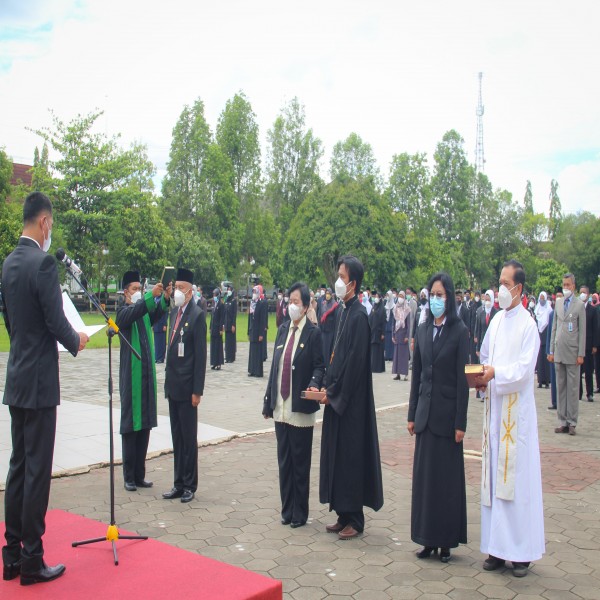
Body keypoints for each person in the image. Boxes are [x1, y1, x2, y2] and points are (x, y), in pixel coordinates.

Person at [2, 192, 89, 585]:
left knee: (18, 466)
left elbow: (13, 325)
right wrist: (77, 340)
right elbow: (57, 322)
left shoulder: (8, 263)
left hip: (16, 378)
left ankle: (11, 553)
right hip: (39, 384)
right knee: (37, 470)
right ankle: (33, 559)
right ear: (45, 223)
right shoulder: (43, 264)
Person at [475, 259, 544, 578]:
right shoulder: (498, 321)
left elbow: (523, 371)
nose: (500, 289)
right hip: (495, 411)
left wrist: (495, 373)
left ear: (518, 288)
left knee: (516, 480)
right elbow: (485, 354)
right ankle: (496, 549)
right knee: (493, 479)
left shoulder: (528, 325)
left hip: (516, 416)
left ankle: (520, 553)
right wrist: (482, 372)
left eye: (505, 284)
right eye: (499, 283)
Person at [319, 255, 384, 540]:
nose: (338, 281)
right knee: (337, 457)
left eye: (342, 277)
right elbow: (335, 356)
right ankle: (342, 513)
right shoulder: (343, 311)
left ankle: (355, 519)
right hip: (336, 398)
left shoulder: (359, 316)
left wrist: (335, 394)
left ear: (354, 283)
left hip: (351, 403)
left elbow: (355, 363)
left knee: (351, 458)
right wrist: (326, 387)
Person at [408, 272, 469, 563]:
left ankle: (445, 542)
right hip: (424, 415)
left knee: (445, 482)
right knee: (425, 481)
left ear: (450, 297)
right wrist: (411, 414)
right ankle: (426, 538)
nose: (435, 299)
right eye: (432, 294)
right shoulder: (422, 330)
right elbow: (417, 375)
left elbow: (462, 381)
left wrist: (461, 422)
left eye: (440, 295)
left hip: (447, 418)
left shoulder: (459, 331)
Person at [263, 282, 325, 528]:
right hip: (281, 408)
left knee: (300, 463)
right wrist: (268, 401)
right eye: (290, 301)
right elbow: (275, 369)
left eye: (297, 302)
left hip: (300, 409)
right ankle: (286, 509)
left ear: (307, 305)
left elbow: (320, 366)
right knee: (284, 461)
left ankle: (300, 512)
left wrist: (313, 383)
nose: (292, 305)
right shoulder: (282, 330)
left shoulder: (313, 333)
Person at [117, 272, 171, 492]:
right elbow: (136, 311)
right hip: (132, 377)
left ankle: (140, 474)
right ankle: (128, 476)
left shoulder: (142, 310)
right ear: (126, 292)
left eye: (140, 288)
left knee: (145, 424)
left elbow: (156, 314)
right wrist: (150, 296)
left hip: (147, 375)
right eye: (134, 289)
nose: (138, 292)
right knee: (131, 426)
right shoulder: (122, 312)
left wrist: (165, 298)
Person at [163, 268, 207, 503]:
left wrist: (197, 390)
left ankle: (190, 484)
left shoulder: (197, 316)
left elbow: (200, 357)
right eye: (175, 287)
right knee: (177, 437)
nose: (176, 292)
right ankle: (178, 482)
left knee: (189, 438)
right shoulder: (174, 314)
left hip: (188, 387)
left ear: (190, 291)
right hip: (173, 386)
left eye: (180, 288)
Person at [548, 273, 586, 435]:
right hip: (559, 351)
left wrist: (581, 353)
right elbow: (554, 328)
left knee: (572, 388)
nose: (566, 288)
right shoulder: (558, 303)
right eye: (564, 285)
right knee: (561, 387)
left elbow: (582, 331)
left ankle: (572, 421)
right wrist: (551, 350)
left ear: (574, 287)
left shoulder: (578, 305)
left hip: (573, 352)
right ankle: (562, 420)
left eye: (568, 285)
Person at [578, 285, 598, 402]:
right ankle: (578, 394)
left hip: (589, 344)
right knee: (578, 372)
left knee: (589, 371)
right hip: (578, 345)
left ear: (588, 294)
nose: (582, 294)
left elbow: (596, 328)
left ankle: (589, 393)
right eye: (581, 292)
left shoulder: (593, 310)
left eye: (584, 292)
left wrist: (595, 345)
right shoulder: (576, 308)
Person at [546, 290, 561, 410]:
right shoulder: (551, 314)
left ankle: (563, 403)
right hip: (553, 350)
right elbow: (549, 334)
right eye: (558, 298)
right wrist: (548, 351)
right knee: (554, 377)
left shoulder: (567, 314)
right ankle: (554, 401)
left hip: (564, 351)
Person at [248, 284, 268, 377]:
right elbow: (249, 318)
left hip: (258, 330)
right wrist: (248, 331)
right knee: (252, 351)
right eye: (253, 292)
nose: (254, 294)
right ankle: (252, 369)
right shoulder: (252, 303)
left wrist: (261, 334)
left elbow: (263, 319)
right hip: (252, 330)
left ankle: (258, 371)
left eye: (255, 292)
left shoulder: (262, 303)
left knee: (258, 351)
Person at [534, 292, 552, 389]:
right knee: (539, 361)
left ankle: (547, 381)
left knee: (546, 361)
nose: (541, 300)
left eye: (543, 298)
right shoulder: (537, 310)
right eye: (540, 298)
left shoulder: (549, 310)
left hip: (546, 337)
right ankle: (540, 380)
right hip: (539, 338)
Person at [392, 291, 411, 381]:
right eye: (399, 296)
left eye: (401, 296)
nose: (400, 298)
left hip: (403, 335)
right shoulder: (395, 308)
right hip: (397, 334)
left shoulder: (407, 309)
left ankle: (405, 375)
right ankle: (398, 374)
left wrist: (407, 336)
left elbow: (408, 324)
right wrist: (393, 334)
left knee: (404, 356)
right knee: (397, 356)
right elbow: (393, 323)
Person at [319, 288, 337, 364]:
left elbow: (336, 318)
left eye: (329, 293)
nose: (327, 295)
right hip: (323, 330)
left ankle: (328, 365)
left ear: (331, 294)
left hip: (330, 331)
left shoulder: (334, 304)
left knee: (328, 349)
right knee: (323, 348)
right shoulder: (324, 303)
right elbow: (320, 314)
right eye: (326, 293)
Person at [369, 291, 386, 373]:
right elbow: (370, 318)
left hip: (379, 332)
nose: (375, 298)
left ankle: (379, 367)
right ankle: (373, 366)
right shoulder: (373, 307)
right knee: (373, 350)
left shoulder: (382, 309)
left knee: (378, 350)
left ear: (380, 298)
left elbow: (383, 321)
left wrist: (383, 333)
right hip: (373, 331)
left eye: (377, 296)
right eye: (375, 296)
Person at [209, 288, 225, 371]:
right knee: (213, 346)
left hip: (218, 328)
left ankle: (218, 363)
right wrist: (210, 327)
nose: (213, 296)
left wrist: (221, 328)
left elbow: (222, 317)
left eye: (215, 295)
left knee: (218, 346)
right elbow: (212, 317)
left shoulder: (221, 304)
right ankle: (213, 362)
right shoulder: (213, 304)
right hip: (213, 328)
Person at [224, 287, 237, 363]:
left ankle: (231, 357)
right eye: (227, 290)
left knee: (231, 341)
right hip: (226, 323)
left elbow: (234, 314)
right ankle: (227, 356)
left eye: (229, 290)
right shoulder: (226, 300)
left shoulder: (233, 301)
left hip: (231, 323)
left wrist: (233, 325)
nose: (228, 291)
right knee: (227, 341)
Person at [384, 291, 396, 361]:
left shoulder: (394, 306)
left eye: (388, 295)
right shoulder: (385, 305)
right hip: (386, 326)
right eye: (386, 295)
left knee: (391, 343)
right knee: (387, 342)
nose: (387, 297)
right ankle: (387, 356)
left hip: (391, 326)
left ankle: (391, 356)